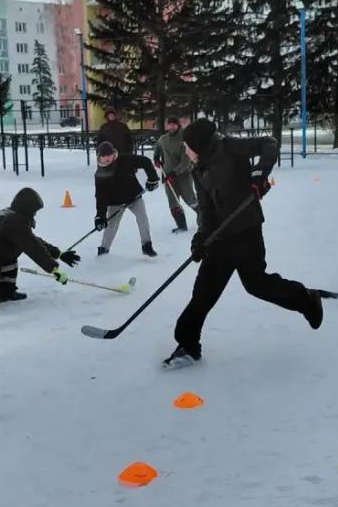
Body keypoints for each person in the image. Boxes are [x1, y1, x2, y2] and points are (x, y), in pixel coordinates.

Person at [163, 119, 323, 369]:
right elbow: (205, 208)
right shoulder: (198, 168)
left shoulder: (230, 147)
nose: (185, 152)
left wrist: (260, 173)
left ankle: (306, 298)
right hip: (219, 236)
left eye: (188, 147)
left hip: (246, 229)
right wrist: (201, 237)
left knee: (256, 285)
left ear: (199, 145)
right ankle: (188, 345)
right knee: (203, 293)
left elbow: (269, 143)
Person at [0, 187, 80, 312]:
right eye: (34, 210)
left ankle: (7, 291)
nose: (35, 214)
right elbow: (33, 248)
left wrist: (59, 254)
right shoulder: (14, 222)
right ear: (27, 208)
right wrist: (54, 269)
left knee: (11, 253)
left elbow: (33, 240)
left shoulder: (12, 215)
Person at [95, 141, 159, 257]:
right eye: (104, 156)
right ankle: (104, 248)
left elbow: (146, 161)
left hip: (134, 197)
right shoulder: (100, 174)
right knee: (111, 225)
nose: (107, 158)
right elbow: (101, 196)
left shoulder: (125, 159)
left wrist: (153, 179)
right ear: (100, 157)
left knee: (142, 218)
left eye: (109, 154)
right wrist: (100, 216)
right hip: (115, 203)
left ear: (113, 153)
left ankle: (147, 245)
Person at [153, 117, 198, 233]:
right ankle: (181, 226)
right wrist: (156, 157)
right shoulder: (163, 139)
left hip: (183, 175)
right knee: (173, 202)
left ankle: (205, 220)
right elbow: (157, 147)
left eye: (174, 125)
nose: (172, 127)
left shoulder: (184, 140)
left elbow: (186, 161)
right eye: (170, 125)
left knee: (190, 199)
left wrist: (174, 172)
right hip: (167, 176)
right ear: (167, 126)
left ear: (178, 126)